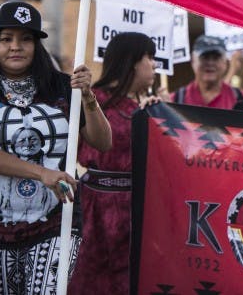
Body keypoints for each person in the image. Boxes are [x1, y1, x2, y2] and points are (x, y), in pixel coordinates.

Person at [0, 0, 112, 292]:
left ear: (37, 45)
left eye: (25, 39)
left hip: (57, 219)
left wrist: (89, 98)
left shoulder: (62, 86)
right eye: (6, 39)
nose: (16, 46)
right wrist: (42, 173)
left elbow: (103, 141)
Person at [69, 32, 160, 294]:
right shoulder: (90, 99)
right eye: (149, 57)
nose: (154, 65)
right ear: (132, 61)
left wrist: (159, 118)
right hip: (93, 210)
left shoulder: (147, 109)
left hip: (136, 212)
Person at [171, 35, 243, 109]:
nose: (210, 63)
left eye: (216, 58)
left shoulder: (241, 99)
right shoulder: (174, 101)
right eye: (205, 57)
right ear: (193, 60)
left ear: (225, 62)